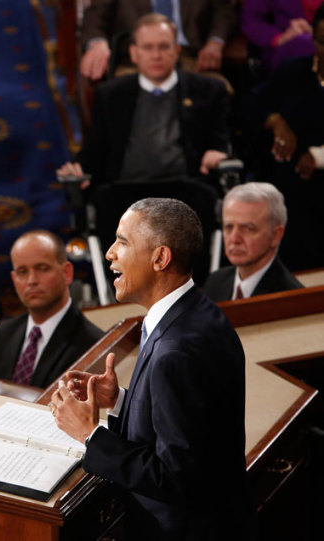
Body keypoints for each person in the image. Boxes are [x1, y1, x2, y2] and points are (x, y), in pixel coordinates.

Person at [50, 198, 248, 540]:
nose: (110, 253)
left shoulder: (176, 350)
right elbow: (188, 427)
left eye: (122, 242)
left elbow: (177, 478)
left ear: (160, 258)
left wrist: (89, 434)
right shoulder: (196, 312)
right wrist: (121, 400)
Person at [58, 14, 230, 188]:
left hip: (188, 189)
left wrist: (217, 155)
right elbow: (94, 151)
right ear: (134, 53)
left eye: (164, 47)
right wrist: (78, 169)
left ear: (176, 51)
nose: (156, 56)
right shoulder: (111, 95)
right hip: (124, 192)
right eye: (148, 47)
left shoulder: (208, 91)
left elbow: (219, 145)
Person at [249, 4, 324, 270]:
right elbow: (254, 105)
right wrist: (276, 120)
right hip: (291, 185)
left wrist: (318, 157)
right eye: (323, 42)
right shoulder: (294, 71)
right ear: (313, 40)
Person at [0, 231, 104, 390]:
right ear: (13, 280)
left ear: (67, 273)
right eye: (22, 272)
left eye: (42, 268)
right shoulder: (0, 336)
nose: (31, 281)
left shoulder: (93, 345)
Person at [79, 0, 236, 82]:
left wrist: (215, 43)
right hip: (136, 62)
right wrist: (97, 44)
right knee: (122, 95)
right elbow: (95, 16)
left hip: (193, 59)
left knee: (216, 91)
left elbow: (224, 12)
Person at [203, 182, 303, 301]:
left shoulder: (292, 299)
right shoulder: (216, 282)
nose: (234, 239)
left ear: (276, 235)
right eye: (229, 227)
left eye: (248, 229)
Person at [241, 0, 321, 74]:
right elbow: (251, 20)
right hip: (285, 47)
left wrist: (318, 32)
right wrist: (278, 38)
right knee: (304, 43)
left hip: (316, 46)